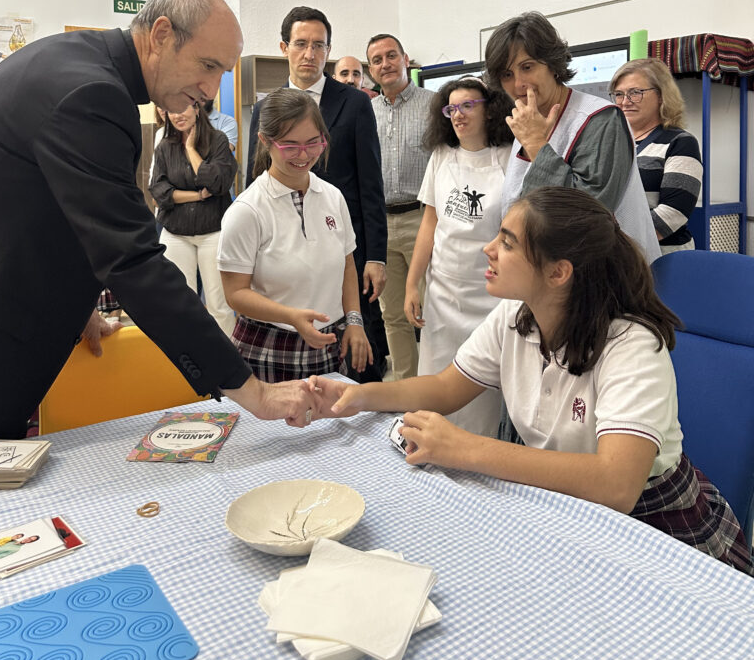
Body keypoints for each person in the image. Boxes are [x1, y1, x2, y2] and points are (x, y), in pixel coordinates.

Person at [311, 187, 753, 576]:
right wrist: (360, 395)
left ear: (559, 272)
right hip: (566, 503)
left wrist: (464, 448)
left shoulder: (630, 344)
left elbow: (615, 485)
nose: (488, 249)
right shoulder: (517, 315)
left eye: (506, 242)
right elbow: (446, 388)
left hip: (655, 523)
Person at [0, 0, 317, 440]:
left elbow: (57, 208)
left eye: (222, 71)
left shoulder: (78, 62)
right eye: (207, 65)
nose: (210, 89)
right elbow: (133, 258)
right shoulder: (91, 95)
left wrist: (80, 306)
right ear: (161, 34)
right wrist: (251, 390)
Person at [246, 7, 388, 383]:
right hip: (282, 246)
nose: (310, 54)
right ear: (284, 47)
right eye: (301, 44)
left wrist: (375, 255)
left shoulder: (355, 104)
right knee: (290, 339)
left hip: (343, 245)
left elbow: (371, 184)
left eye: (319, 45)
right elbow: (253, 177)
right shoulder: (266, 108)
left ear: (329, 51)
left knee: (356, 346)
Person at [484, 12, 660, 263]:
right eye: (506, 75)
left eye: (527, 67)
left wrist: (536, 145)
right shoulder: (527, 119)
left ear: (552, 65)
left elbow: (588, 216)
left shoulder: (600, 119)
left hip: (608, 275)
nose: (519, 84)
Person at [220, 89, 372, 381]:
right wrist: (291, 316)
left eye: (313, 143)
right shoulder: (247, 210)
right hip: (267, 347)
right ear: (265, 141)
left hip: (328, 344)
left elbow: (347, 264)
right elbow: (235, 294)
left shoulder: (332, 197)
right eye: (290, 146)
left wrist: (354, 320)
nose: (304, 155)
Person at [404, 77, 513, 436]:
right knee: (436, 380)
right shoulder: (441, 156)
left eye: (468, 106)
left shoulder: (510, 158)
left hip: (491, 295)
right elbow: (429, 224)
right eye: (452, 109)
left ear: (489, 109)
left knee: (484, 388)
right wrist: (412, 284)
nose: (459, 115)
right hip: (444, 290)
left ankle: (477, 454)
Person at [367, 33, 436, 380]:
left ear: (405, 59)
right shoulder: (366, 112)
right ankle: (407, 388)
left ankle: (438, 386)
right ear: (371, 70)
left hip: (423, 219)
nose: (385, 64)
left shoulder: (434, 104)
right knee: (392, 314)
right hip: (380, 225)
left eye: (391, 56)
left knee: (431, 312)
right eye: (377, 60)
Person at [150, 101, 237, 336]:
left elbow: (218, 183)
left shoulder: (218, 140)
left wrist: (190, 149)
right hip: (175, 233)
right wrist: (197, 195)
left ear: (197, 109)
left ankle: (227, 364)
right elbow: (159, 192)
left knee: (219, 305)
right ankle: (192, 362)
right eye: (171, 110)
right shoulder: (164, 146)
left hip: (213, 232)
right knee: (183, 304)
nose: (177, 114)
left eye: (183, 107)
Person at [609, 58, 702, 253]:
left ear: (662, 95)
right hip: (613, 253)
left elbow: (673, 213)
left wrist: (618, 242)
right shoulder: (611, 142)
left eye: (635, 93)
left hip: (661, 255)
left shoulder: (681, 142)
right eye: (619, 94)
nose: (625, 102)